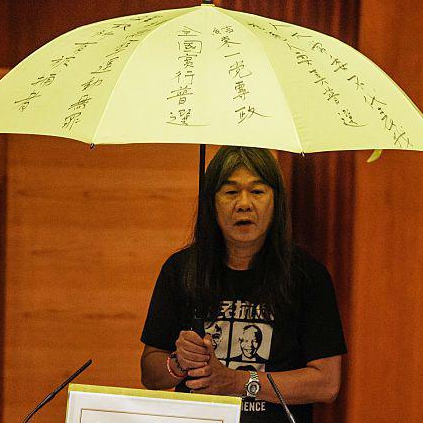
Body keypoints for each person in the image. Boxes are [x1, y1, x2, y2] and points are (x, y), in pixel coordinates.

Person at [140, 146, 346, 423]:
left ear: (276, 201)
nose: (244, 204)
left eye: (257, 191)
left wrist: (237, 382)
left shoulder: (307, 275)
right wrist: (179, 363)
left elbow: (327, 383)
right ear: (211, 203)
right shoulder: (182, 270)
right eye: (230, 192)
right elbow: (150, 375)